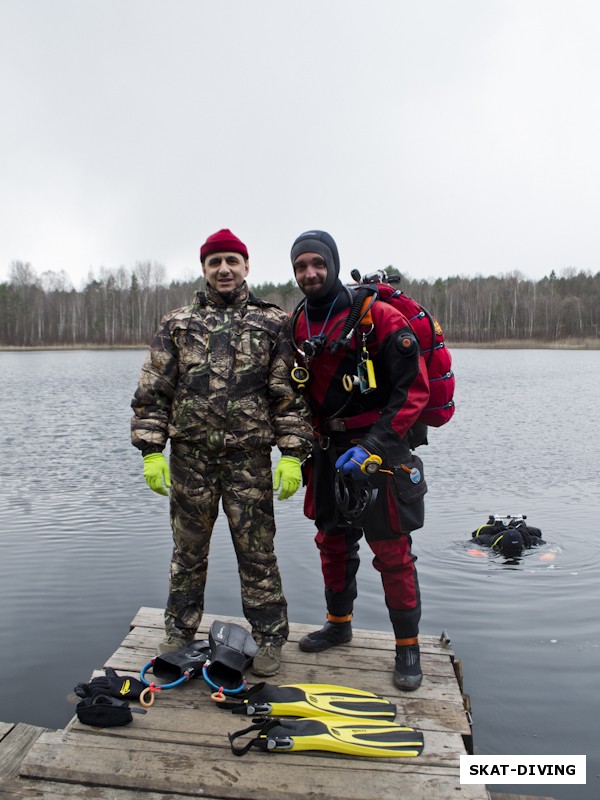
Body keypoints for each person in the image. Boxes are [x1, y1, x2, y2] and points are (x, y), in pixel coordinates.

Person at [131, 228, 313, 677]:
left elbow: (288, 396)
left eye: (232, 260)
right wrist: (151, 450)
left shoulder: (273, 323)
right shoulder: (176, 323)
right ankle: (178, 630)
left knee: (257, 554)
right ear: (204, 269)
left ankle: (270, 638)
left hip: (247, 462)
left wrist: (291, 455)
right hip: (189, 460)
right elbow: (154, 392)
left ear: (246, 266)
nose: (224, 269)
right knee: (187, 552)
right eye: (215, 262)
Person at [289, 230, 431, 691]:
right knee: (332, 541)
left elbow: (413, 393)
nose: (310, 273)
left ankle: (407, 647)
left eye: (317, 263)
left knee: (391, 551)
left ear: (332, 263)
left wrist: (373, 447)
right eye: (301, 266)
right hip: (327, 452)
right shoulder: (296, 325)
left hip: (381, 453)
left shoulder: (380, 319)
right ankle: (338, 622)